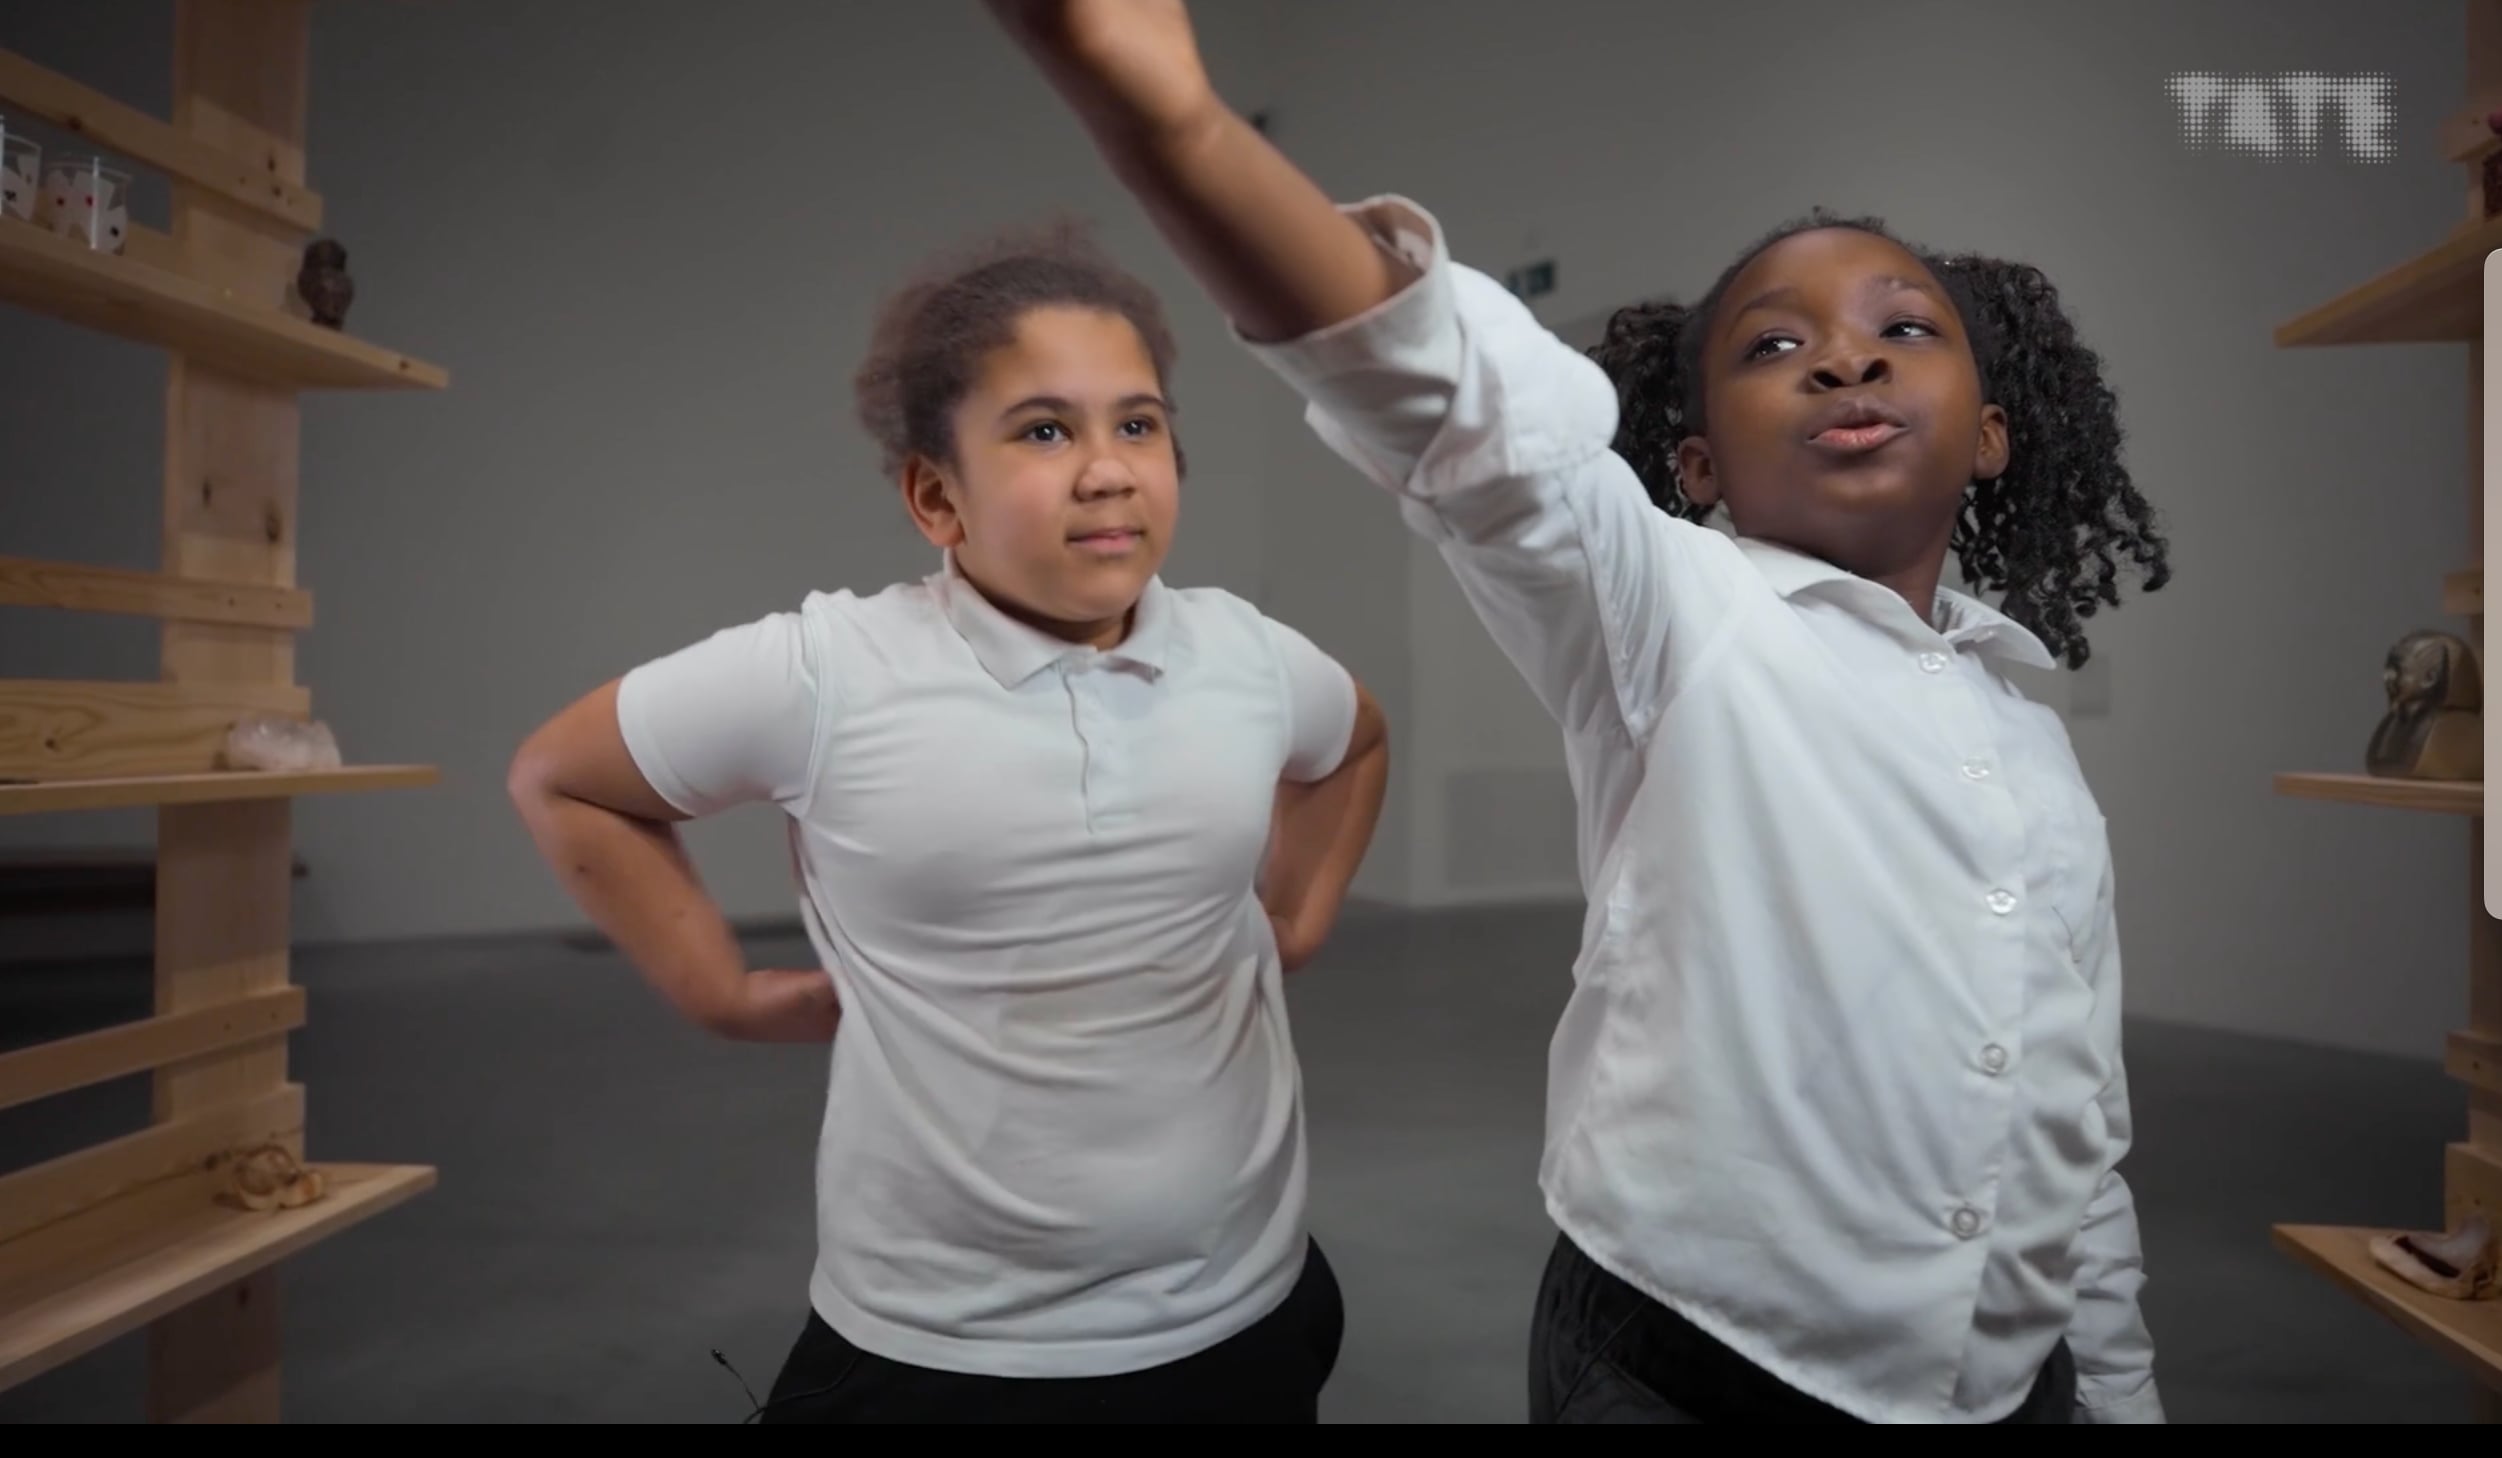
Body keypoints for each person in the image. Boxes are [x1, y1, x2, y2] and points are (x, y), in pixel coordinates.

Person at [983, 0, 2173, 1425]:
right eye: (1774, 346)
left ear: (1989, 430)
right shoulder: (1671, 609)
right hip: (1691, 1362)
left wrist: (2116, 1390)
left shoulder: (2028, 739)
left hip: (2010, 1381)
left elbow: (2075, 1124)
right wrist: (1180, 125)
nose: (1847, 359)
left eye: (1904, 329)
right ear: (1698, 463)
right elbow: (1460, 410)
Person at [506, 217, 1390, 1423]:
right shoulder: (829, 672)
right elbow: (564, 775)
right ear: (936, 495)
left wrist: (1295, 916)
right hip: (946, 1349)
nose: (1107, 468)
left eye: (1137, 423)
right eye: (1043, 430)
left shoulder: (1245, 654)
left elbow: (1356, 744)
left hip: (1240, 1312)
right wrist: (716, 989)